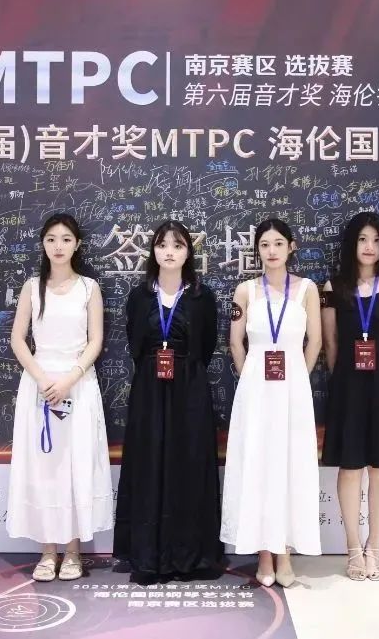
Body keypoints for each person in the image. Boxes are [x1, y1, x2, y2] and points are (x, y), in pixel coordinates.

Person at [113, 220, 224, 585]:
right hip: (149, 389)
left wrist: (183, 367)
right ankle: (148, 557)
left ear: (188, 252)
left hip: (190, 388)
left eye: (178, 245)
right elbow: (134, 343)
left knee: (189, 464)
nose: (170, 252)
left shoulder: (202, 297)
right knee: (149, 464)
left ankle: (191, 556)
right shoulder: (139, 296)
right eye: (162, 245)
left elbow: (206, 346)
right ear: (153, 251)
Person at [5, 213, 113, 581]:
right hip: (39, 386)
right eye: (51, 239)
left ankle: (73, 552)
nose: (58, 246)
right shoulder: (31, 287)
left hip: (77, 385)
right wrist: (41, 377)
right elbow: (18, 339)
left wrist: (70, 378)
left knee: (75, 464)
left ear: (77, 244)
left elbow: (95, 340)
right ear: (43, 244)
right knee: (44, 466)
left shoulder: (89, 288)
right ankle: (47, 552)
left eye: (66, 239)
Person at [220, 217, 322, 588]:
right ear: (257, 250)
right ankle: (264, 554)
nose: (272, 251)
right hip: (256, 392)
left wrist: (298, 377)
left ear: (291, 247)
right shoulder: (245, 290)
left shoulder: (307, 289)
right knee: (259, 464)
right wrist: (249, 378)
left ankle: (285, 554)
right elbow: (235, 342)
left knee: (290, 465)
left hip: (293, 391)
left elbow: (315, 341)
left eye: (278, 243)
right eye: (265, 245)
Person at [321, 211, 379, 581]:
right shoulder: (333, 287)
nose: (369, 246)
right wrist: (344, 379)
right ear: (352, 243)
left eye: (376, 240)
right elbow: (330, 343)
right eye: (362, 239)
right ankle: (352, 549)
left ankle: (374, 548)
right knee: (350, 467)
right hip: (348, 384)